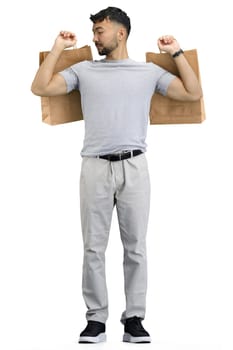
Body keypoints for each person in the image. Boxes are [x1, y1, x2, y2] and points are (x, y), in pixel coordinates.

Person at [31, 6, 202, 344]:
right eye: (94, 31)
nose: (95, 37)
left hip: (135, 166)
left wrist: (177, 52)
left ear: (119, 33)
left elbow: (193, 93)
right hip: (94, 165)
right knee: (93, 248)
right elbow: (40, 88)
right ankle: (96, 319)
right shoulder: (83, 70)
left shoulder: (148, 72)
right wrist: (57, 49)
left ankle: (134, 318)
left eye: (100, 31)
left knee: (135, 247)